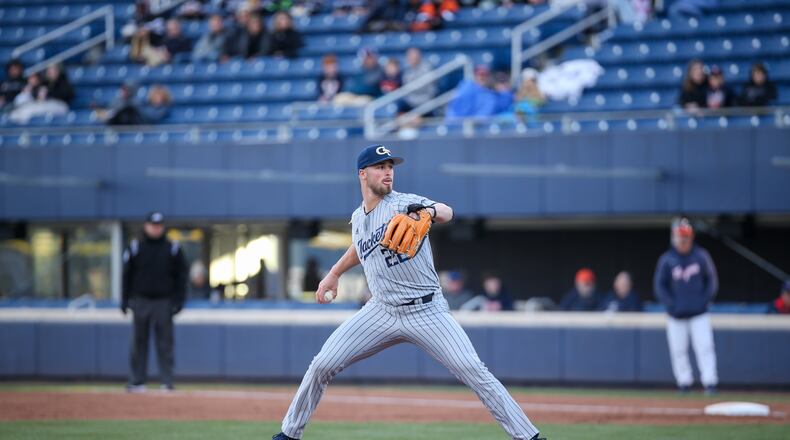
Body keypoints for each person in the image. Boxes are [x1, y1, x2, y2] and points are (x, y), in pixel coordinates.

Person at [271, 144, 545, 440]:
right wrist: (334, 273)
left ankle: (528, 437)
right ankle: (288, 434)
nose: (388, 172)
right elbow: (360, 246)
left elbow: (446, 211)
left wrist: (425, 212)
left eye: (391, 166)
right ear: (363, 174)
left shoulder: (404, 204)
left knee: (474, 370)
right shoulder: (359, 218)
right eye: (380, 167)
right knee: (322, 364)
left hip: (427, 310)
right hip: (381, 311)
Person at [121, 212, 188, 392]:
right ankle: (137, 381)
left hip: (164, 301)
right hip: (141, 299)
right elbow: (126, 275)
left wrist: (179, 300)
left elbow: (181, 276)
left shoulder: (172, 247)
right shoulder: (135, 246)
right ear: (146, 226)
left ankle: (167, 381)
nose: (156, 228)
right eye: (153, 225)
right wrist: (124, 299)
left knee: (165, 343)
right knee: (138, 342)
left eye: (159, 225)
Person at [653, 217, 719, 395]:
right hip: (676, 315)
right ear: (674, 238)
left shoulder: (701, 256)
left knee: (705, 347)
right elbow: (660, 286)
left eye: (686, 237)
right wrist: (671, 305)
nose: (683, 240)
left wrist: (703, 301)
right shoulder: (667, 259)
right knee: (678, 350)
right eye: (680, 237)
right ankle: (684, 383)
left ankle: (710, 382)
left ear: (691, 237)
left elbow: (711, 281)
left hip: (699, 313)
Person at [400, 47, 437, 112]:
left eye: (413, 55)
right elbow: (406, 87)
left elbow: (428, 89)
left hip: (425, 100)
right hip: (410, 101)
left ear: (419, 56)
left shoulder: (427, 68)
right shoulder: (407, 69)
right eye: (409, 55)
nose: (410, 58)